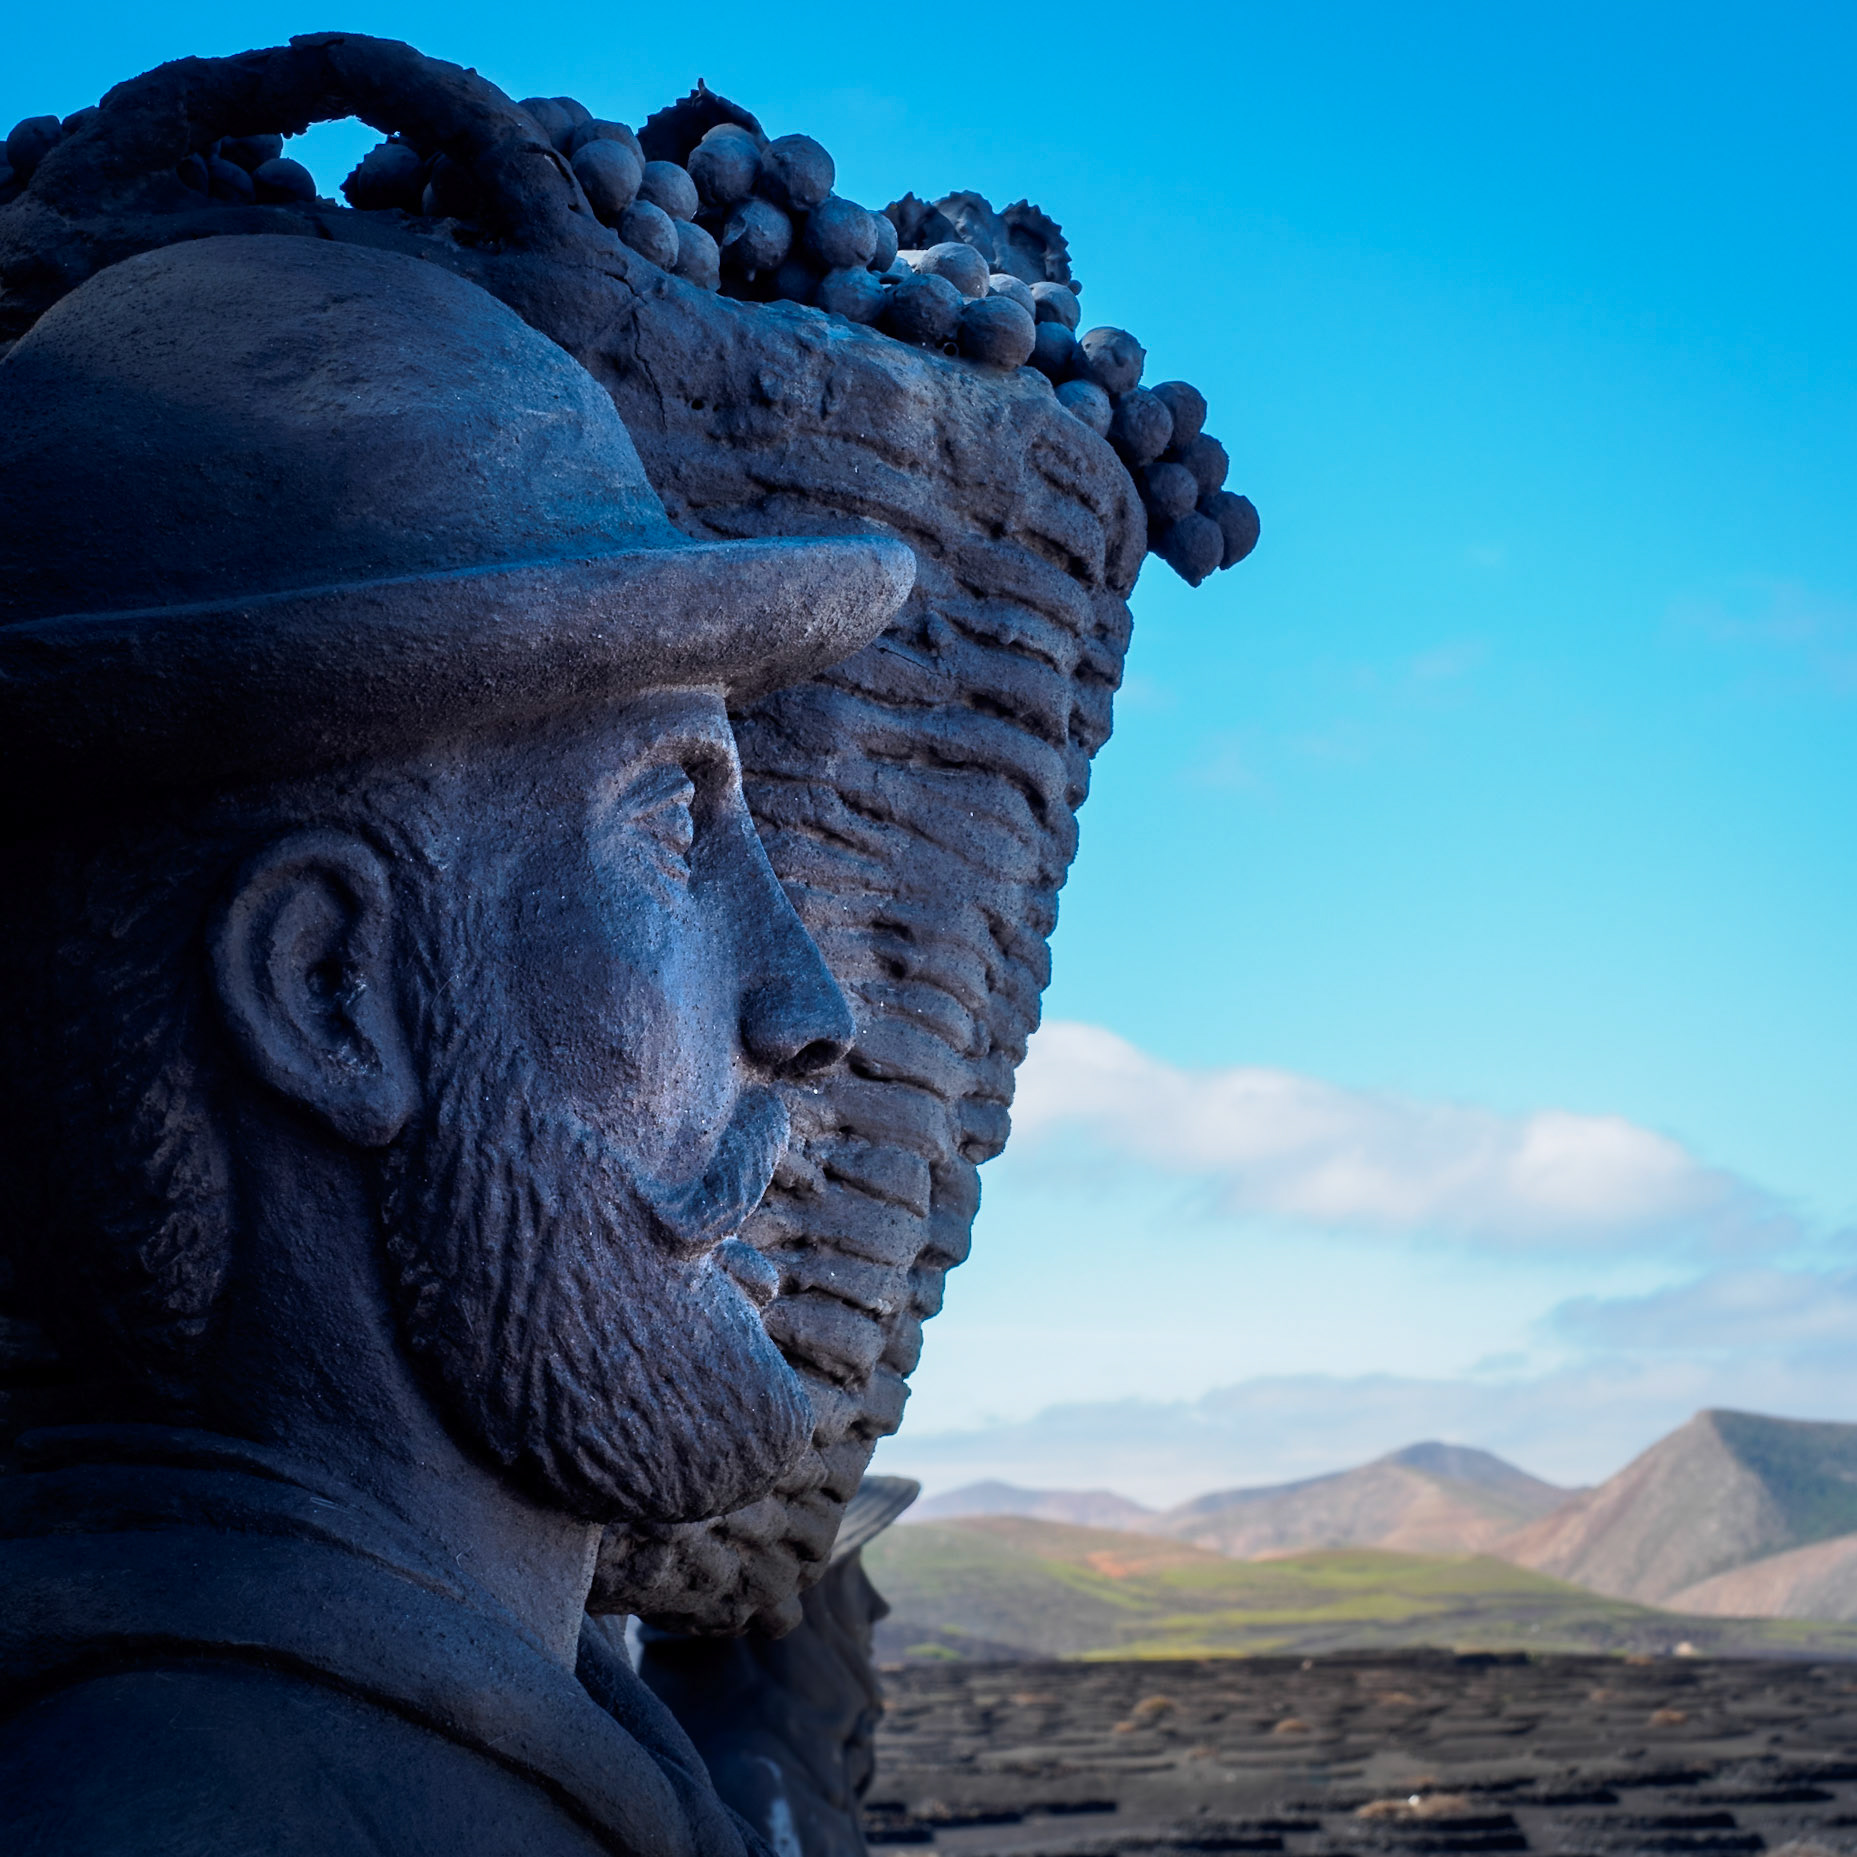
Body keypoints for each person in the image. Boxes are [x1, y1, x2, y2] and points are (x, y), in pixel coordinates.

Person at [0, 232, 914, 1855]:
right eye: (670, 829)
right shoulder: (183, 1812)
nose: (805, 1009)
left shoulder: (501, 1755)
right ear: (328, 989)